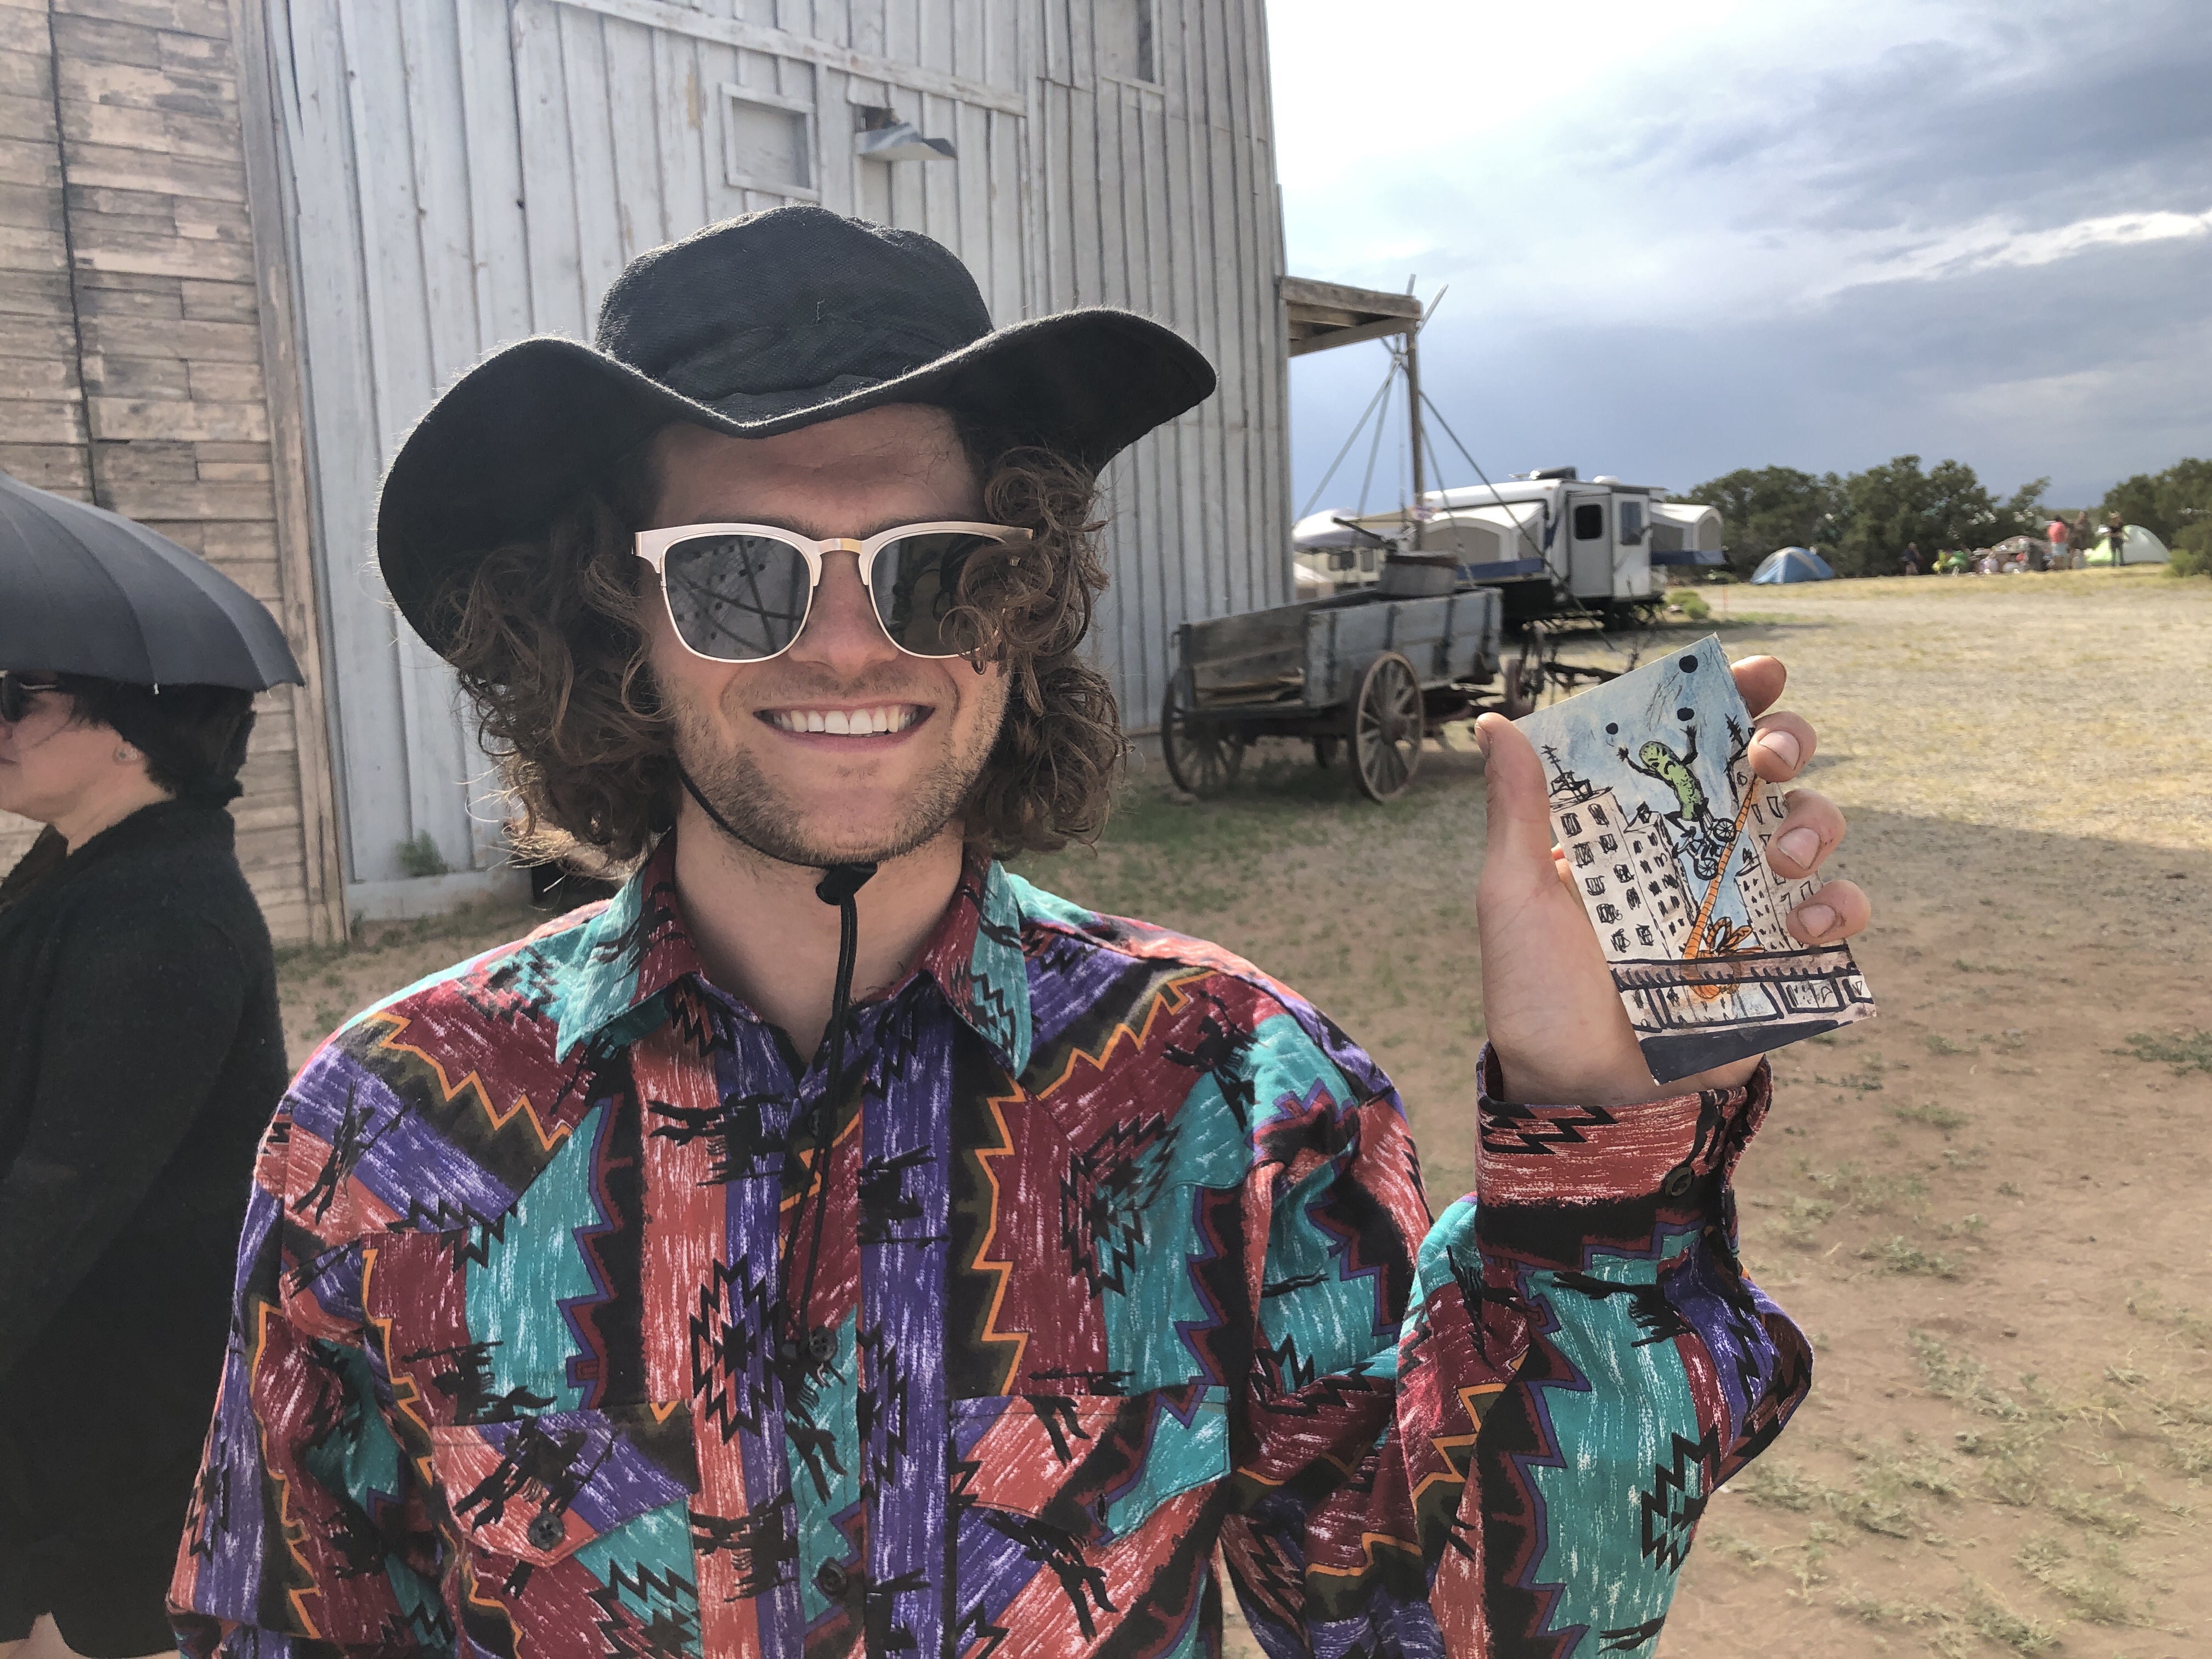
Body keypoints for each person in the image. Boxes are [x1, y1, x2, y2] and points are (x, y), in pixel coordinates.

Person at [168, 208, 1869, 1657]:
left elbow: (1443, 1626)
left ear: (1019, 603)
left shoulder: (1235, 1092)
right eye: (741, 573)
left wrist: (1597, 1158)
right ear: (616, 621)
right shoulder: (385, 1127)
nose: (850, 644)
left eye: (932, 567)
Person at [1, 672, 288, 1659]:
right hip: (57, 1373)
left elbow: (65, 1188)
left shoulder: (166, 911)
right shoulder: (77, 872)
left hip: (123, 1402)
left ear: (132, 733)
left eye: (22, 698)